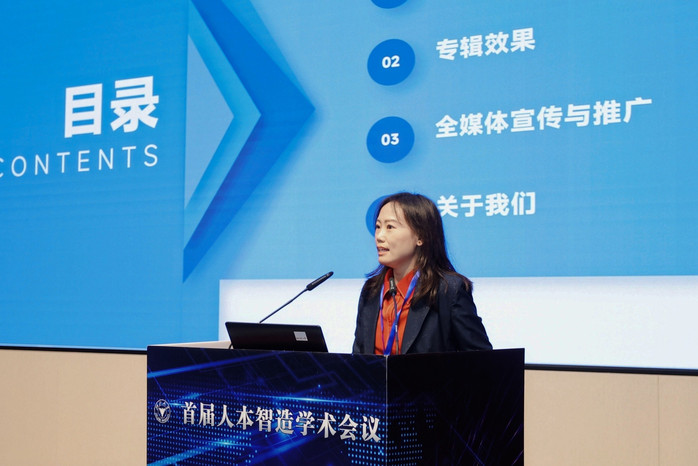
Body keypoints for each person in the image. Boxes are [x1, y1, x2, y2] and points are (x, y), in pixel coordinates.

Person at [352, 192, 492, 355]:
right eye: (378, 227)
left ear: (421, 236)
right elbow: (358, 357)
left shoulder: (448, 290)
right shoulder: (371, 290)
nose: (379, 236)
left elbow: (481, 359)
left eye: (390, 227)